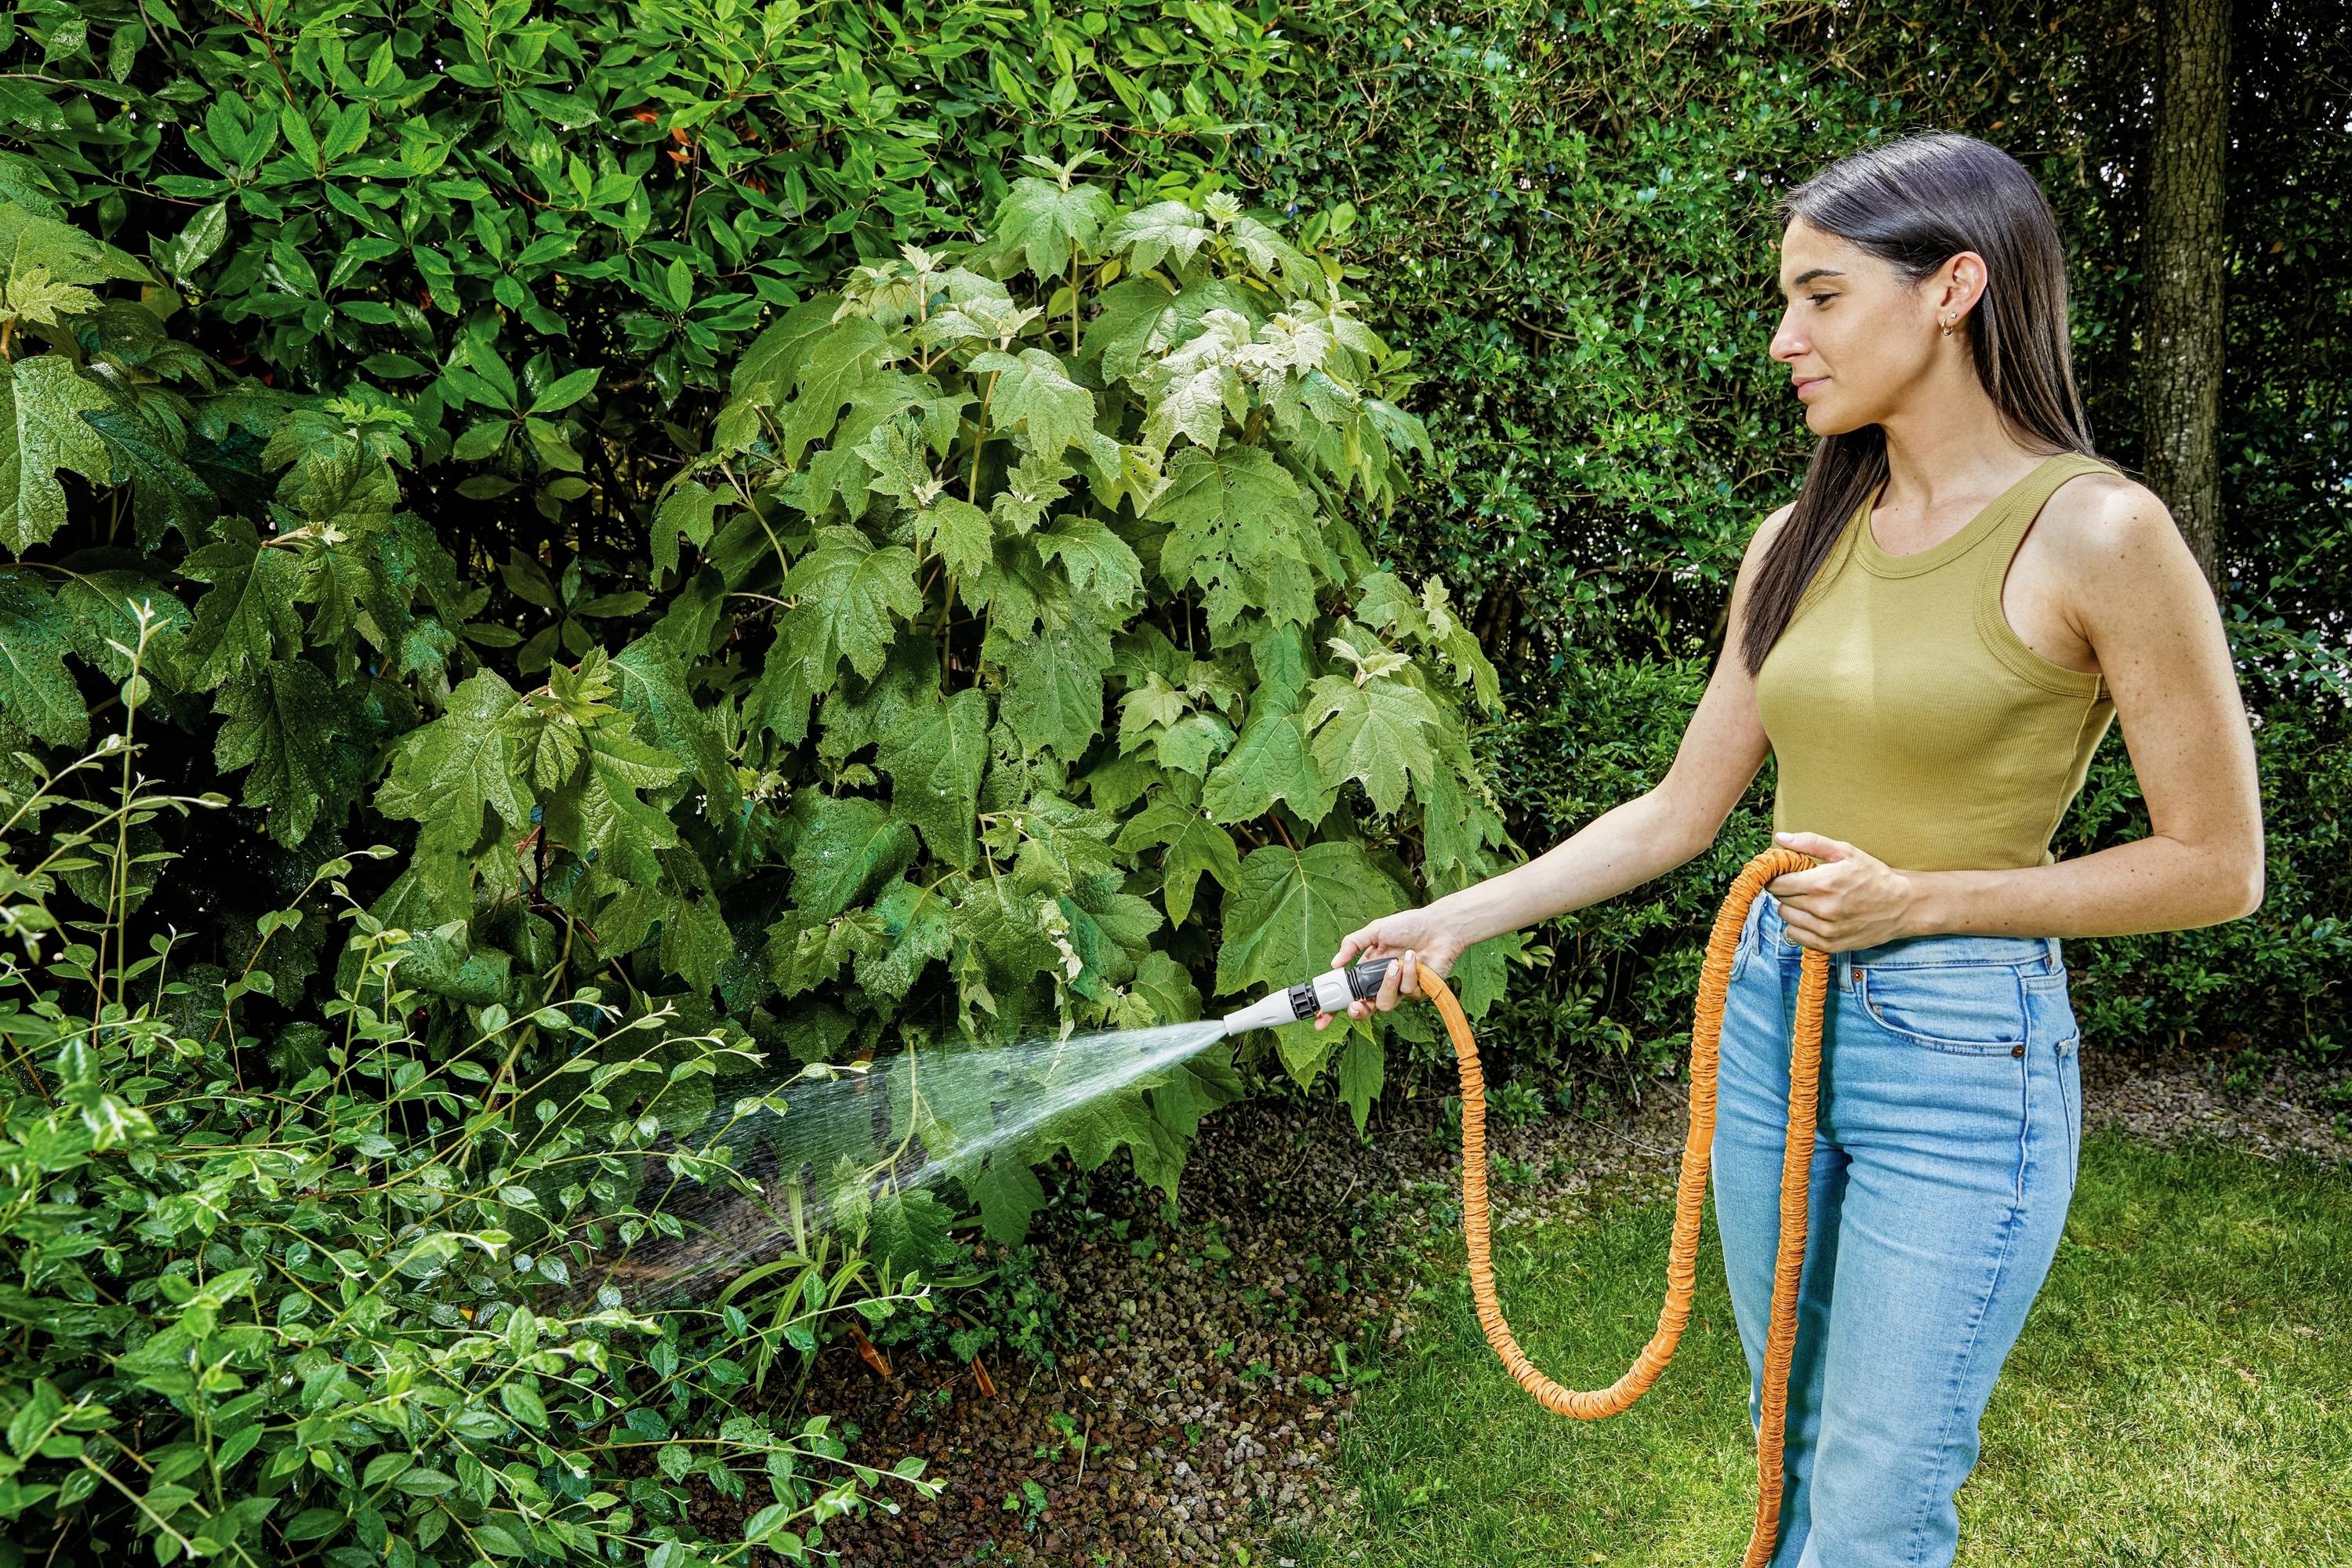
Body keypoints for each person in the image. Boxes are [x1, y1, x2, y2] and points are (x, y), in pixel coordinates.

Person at [1312, 130, 2265, 1567]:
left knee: (1878, 1503)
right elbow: (1680, 814)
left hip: (1961, 1052)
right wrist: (1456, 917)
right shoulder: (1798, 538)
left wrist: (1917, 899)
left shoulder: (2099, 532)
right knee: (1788, 1445)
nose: (1783, 340)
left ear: (1955, 287)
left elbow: (2217, 863)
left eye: (1820, 296)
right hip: (1771, 1018)